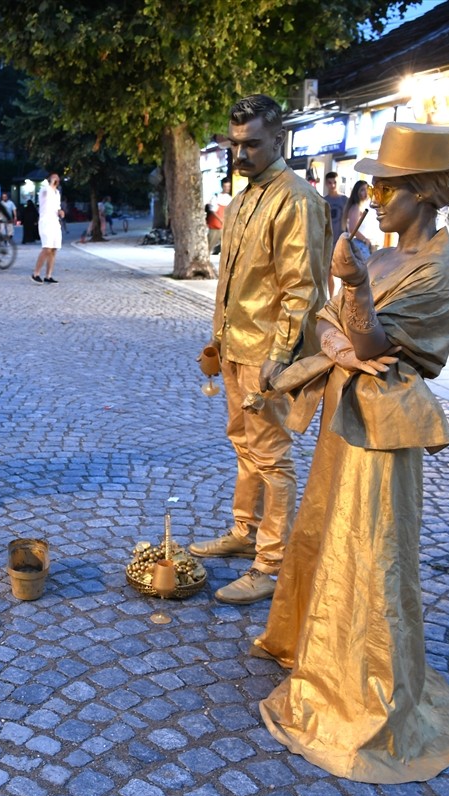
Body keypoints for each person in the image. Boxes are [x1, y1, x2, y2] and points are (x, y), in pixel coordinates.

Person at [251, 121, 449, 784]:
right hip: (347, 419)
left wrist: (350, 292)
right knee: (325, 528)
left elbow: (371, 344)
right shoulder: (384, 252)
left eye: (390, 185)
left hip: (383, 434)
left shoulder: (436, 270)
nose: (374, 194)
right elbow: (338, 329)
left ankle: (361, 681)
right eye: (375, 182)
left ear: (427, 191)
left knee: (369, 546)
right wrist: (345, 306)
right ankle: (313, 642)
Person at [187, 94, 330, 605]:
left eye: (251, 145)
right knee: (244, 446)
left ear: (279, 139)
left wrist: (282, 355)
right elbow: (235, 280)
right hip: (234, 348)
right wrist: (217, 341)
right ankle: (244, 532)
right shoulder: (246, 197)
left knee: (272, 458)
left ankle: (270, 563)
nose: (240, 155)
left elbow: (303, 288)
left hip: (269, 353)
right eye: (235, 145)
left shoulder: (296, 199)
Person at [32, 173, 64, 284]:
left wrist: (60, 212)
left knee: (54, 249)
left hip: (55, 222)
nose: (56, 179)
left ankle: (48, 275)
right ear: (49, 179)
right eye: (54, 177)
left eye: (57, 177)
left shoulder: (57, 193)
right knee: (47, 248)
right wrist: (51, 183)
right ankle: (36, 273)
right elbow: (46, 193)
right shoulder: (44, 190)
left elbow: (57, 207)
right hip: (45, 222)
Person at [342, 180, 380, 260]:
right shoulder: (356, 207)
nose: (365, 192)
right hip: (360, 245)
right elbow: (353, 229)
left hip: (364, 244)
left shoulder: (365, 206)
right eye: (362, 190)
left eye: (367, 189)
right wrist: (365, 239)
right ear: (357, 192)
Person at [206, 180, 232, 256]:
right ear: (222, 186)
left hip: (224, 224)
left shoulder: (229, 198)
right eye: (225, 186)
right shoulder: (216, 197)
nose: (227, 188)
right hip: (215, 224)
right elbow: (212, 210)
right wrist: (220, 219)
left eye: (228, 186)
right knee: (210, 243)